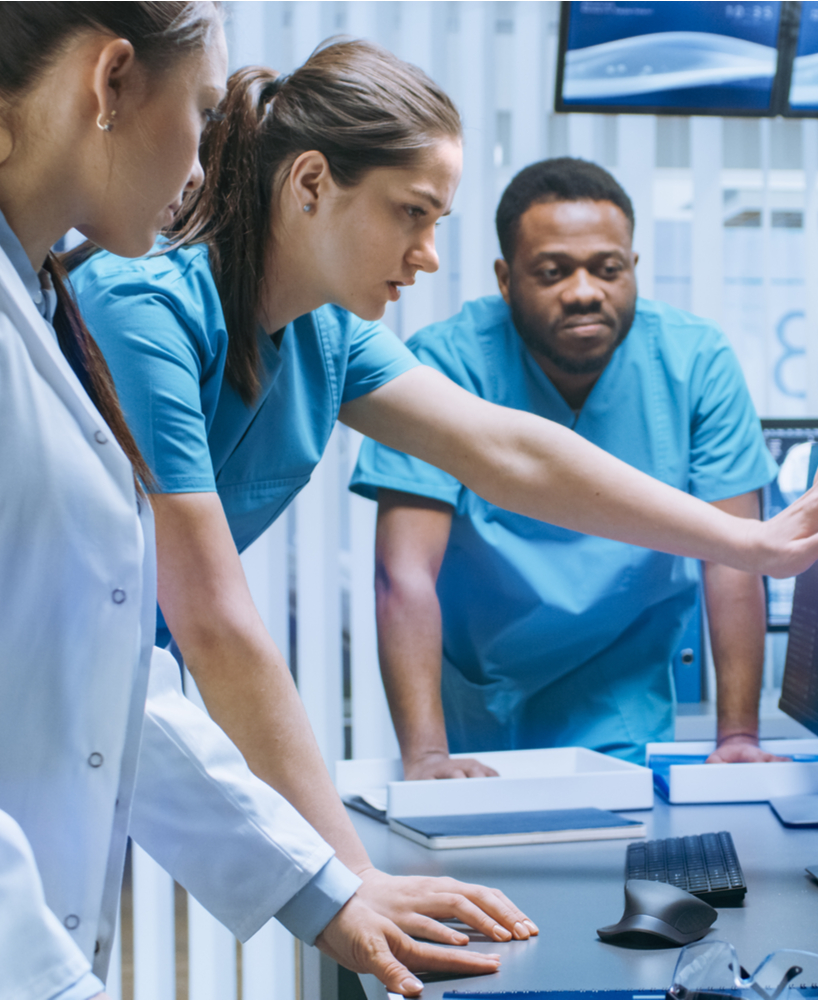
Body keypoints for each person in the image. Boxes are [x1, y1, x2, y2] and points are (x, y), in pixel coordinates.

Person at [69, 31, 818, 977]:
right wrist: (354, 877)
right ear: (311, 184)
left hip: (116, 693)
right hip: (58, 681)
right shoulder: (143, 311)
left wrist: (751, 543)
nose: (426, 255)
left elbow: (508, 449)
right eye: (411, 213)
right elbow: (212, 620)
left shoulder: (323, 334)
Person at [0, 7, 526, 999]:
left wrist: (327, 890)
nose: (205, 164)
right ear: (112, 83)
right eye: (201, 111)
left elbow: (110, 665)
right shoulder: (132, 302)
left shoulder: (41, 305)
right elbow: (202, 626)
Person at [350, 158, 787, 774]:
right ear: (506, 279)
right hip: (483, 701)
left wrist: (738, 735)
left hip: (622, 698)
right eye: (553, 272)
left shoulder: (695, 362)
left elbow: (736, 559)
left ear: (634, 268)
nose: (585, 291)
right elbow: (404, 574)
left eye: (608, 269)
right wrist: (425, 754)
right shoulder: (445, 364)